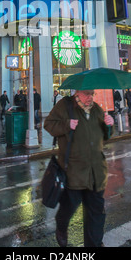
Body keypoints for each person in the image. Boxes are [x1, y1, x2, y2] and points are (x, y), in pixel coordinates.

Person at [44, 90, 114, 247]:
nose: (90, 97)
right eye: (86, 94)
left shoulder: (97, 109)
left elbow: (105, 136)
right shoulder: (65, 106)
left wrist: (109, 125)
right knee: (69, 208)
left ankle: (94, 245)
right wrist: (66, 124)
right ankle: (61, 225)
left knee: (96, 213)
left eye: (92, 94)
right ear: (77, 92)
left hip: (96, 172)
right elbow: (48, 124)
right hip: (73, 172)